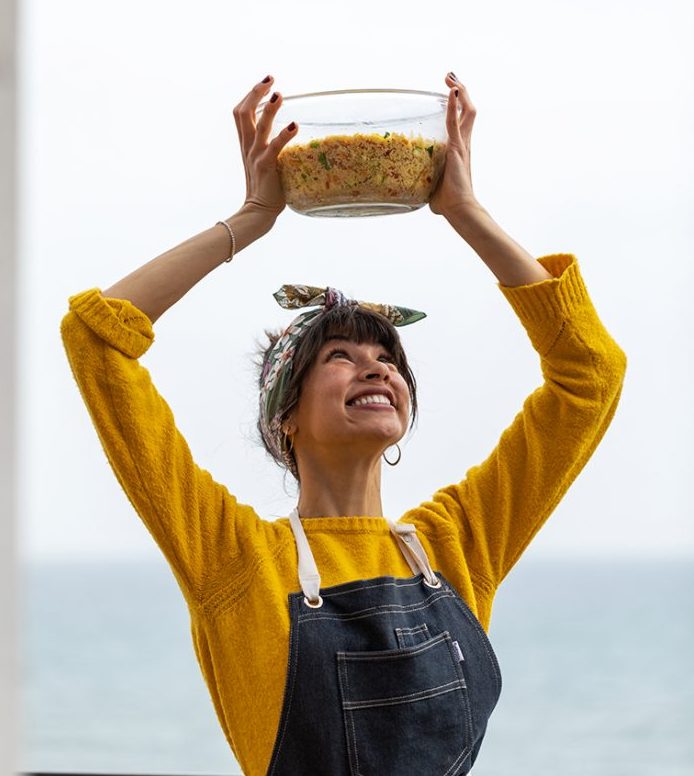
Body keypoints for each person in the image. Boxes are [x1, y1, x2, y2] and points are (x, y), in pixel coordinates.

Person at [60, 72, 627, 775]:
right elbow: (97, 342)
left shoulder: (458, 543)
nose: (378, 367)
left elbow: (590, 374)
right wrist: (250, 218)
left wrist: (466, 210)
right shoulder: (235, 559)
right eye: (340, 355)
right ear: (285, 418)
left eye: (389, 357)